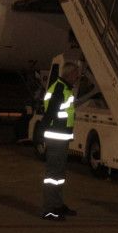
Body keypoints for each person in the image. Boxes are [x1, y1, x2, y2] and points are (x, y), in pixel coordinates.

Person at [40, 61, 81, 221]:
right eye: (76, 73)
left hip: (60, 137)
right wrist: (42, 135)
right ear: (69, 74)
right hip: (56, 137)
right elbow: (50, 113)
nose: (78, 77)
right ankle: (49, 209)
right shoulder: (60, 89)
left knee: (59, 174)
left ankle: (57, 204)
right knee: (53, 175)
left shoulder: (63, 88)